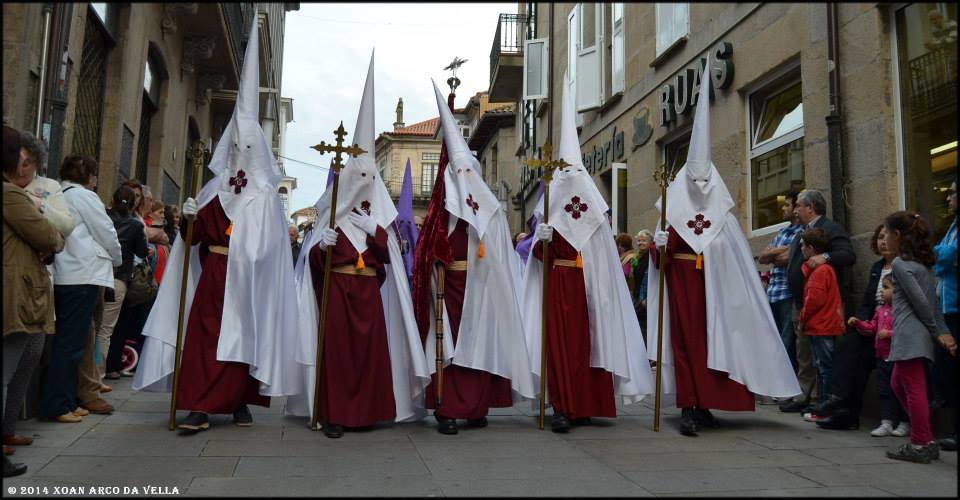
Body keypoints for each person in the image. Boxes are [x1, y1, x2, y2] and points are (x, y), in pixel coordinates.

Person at [133, 15, 301, 433]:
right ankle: (200, 406)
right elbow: (193, 241)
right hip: (214, 277)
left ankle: (239, 400)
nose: (241, 154)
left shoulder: (266, 198)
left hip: (249, 280)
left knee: (245, 340)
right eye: (235, 146)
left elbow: (273, 247)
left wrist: (249, 250)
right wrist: (189, 218)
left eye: (248, 147)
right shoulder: (212, 191)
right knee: (206, 338)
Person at [647, 57, 800, 436]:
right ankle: (688, 404)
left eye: (705, 181)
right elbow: (659, 260)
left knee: (715, 345)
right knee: (685, 344)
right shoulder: (671, 214)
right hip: (683, 288)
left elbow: (735, 261)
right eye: (694, 181)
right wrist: (658, 246)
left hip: (716, 293)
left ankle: (705, 404)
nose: (700, 188)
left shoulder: (723, 217)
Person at [286, 52, 430, 438]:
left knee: (369, 354)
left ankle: (366, 413)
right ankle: (335, 414)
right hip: (338, 290)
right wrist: (321, 248)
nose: (366, 182)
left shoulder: (375, 216)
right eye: (359, 176)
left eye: (371, 177)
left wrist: (376, 230)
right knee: (338, 354)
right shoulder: (333, 212)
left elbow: (390, 257)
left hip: (367, 293)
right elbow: (313, 263)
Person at [525, 73, 653, 433]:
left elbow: (603, 258)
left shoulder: (594, 212)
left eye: (574, 172)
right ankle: (562, 405)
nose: (569, 179)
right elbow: (540, 257)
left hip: (588, 288)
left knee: (590, 345)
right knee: (559, 347)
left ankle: (585, 404)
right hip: (557, 284)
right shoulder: (549, 208)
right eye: (563, 173)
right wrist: (540, 240)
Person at [411, 80, 535, 435]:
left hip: (482, 291)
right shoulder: (440, 215)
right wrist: (434, 263)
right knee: (450, 350)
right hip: (447, 291)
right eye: (458, 173)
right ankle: (446, 408)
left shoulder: (491, 212)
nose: (465, 179)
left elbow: (501, 256)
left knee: (481, 348)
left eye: (470, 172)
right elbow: (425, 254)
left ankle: (476, 407)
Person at [5, 131, 76, 457]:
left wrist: (40, 206)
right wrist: (51, 239)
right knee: (10, 364)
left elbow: (65, 226)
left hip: (33, 285)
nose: (26, 168)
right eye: (21, 161)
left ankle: (8, 429)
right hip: (17, 287)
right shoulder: (10, 194)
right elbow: (49, 235)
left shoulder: (46, 188)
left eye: (30, 162)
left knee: (29, 357)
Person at [39, 154, 121, 422]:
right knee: (72, 344)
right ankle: (58, 404)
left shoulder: (57, 194)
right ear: (90, 177)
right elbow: (106, 232)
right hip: (83, 275)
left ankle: (68, 398)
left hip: (64, 275)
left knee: (70, 342)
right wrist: (117, 259)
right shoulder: (85, 196)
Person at [882, 211, 956, 463]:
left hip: (909, 335)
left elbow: (922, 303)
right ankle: (924, 436)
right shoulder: (923, 265)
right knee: (898, 384)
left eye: (886, 233)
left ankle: (921, 442)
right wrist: (942, 331)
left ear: (897, 235)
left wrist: (939, 332)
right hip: (917, 335)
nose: (885, 238)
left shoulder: (900, 265)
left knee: (914, 389)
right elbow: (933, 303)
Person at [780, 189, 856, 415]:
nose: (795, 210)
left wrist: (825, 257)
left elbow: (848, 255)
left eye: (798, 206)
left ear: (810, 207)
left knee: (823, 357)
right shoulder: (800, 231)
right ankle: (805, 395)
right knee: (804, 352)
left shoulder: (831, 228)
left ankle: (821, 399)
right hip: (800, 301)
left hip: (821, 306)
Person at [95, 186, 149, 390]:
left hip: (96, 274)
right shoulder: (135, 225)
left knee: (91, 327)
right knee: (105, 330)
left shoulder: (102, 215)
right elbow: (142, 251)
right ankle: (98, 375)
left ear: (113, 199)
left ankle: (86, 374)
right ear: (134, 204)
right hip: (118, 279)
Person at [848, 274, 909, 437]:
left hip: (897, 357)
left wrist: (889, 334)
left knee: (901, 391)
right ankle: (886, 422)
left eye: (886, 287)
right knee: (884, 391)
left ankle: (905, 422)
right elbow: (872, 327)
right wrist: (858, 323)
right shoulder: (881, 310)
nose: (881, 291)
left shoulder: (903, 311)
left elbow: (906, 332)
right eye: (882, 287)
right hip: (881, 357)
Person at [796, 228, 845, 422]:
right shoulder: (822, 270)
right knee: (823, 367)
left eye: (802, 246)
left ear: (811, 248)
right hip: (823, 324)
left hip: (821, 325)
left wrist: (802, 317)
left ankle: (825, 409)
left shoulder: (820, 270)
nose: (800, 249)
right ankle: (823, 407)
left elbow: (814, 299)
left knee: (825, 368)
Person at [758, 191, 803, 380]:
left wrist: (774, 253)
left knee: (787, 341)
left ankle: (787, 381)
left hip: (787, 293)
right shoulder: (783, 232)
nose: (783, 208)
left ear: (796, 208)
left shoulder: (802, 232)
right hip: (772, 293)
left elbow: (787, 258)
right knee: (775, 340)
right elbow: (762, 258)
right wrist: (781, 251)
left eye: (787, 205)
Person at [932, 180, 957, 451]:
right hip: (946, 306)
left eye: (952, 193)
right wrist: (943, 255)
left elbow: (947, 254)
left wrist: (943, 255)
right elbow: (941, 254)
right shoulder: (952, 226)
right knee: (946, 369)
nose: (948, 198)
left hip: (955, 306)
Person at [634, 230, 652, 339]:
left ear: (650, 242)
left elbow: (650, 279)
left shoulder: (651, 257)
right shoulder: (639, 256)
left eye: (644, 241)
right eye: (639, 240)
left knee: (644, 327)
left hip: (644, 299)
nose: (640, 243)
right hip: (638, 296)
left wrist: (645, 298)